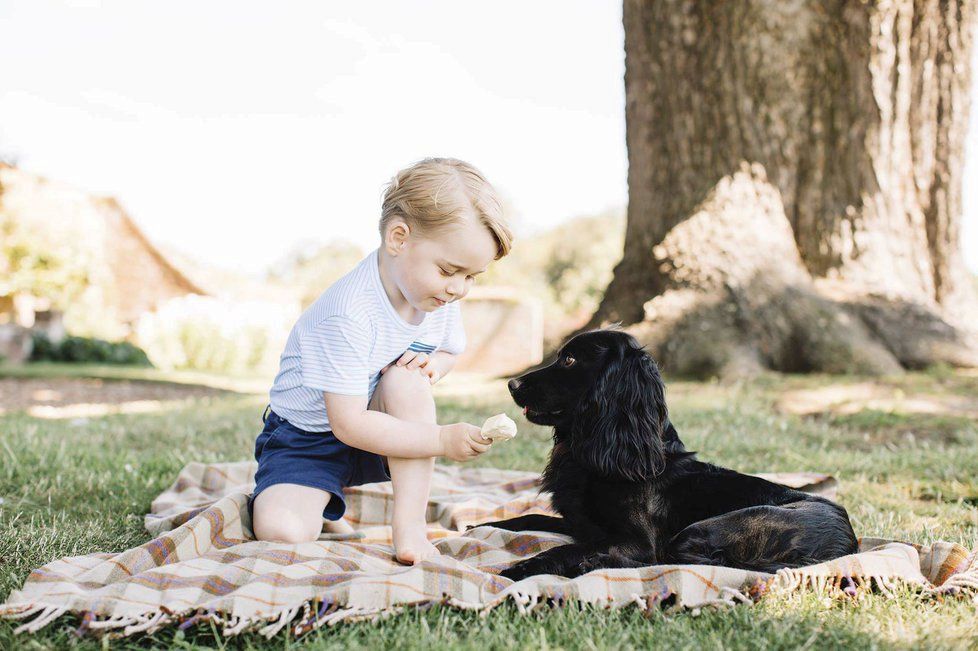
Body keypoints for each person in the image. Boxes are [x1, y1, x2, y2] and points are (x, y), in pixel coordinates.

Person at [250, 157, 513, 564]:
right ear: (398, 237)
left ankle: (409, 530)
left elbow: (447, 351)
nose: (459, 288)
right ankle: (312, 498)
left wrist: (432, 368)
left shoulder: (437, 296)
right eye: (450, 270)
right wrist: (442, 439)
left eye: (471, 276)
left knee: (407, 382)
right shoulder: (348, 314)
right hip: (308, 438)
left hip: (381, 428)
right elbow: (348, 424)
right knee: (283, 533)